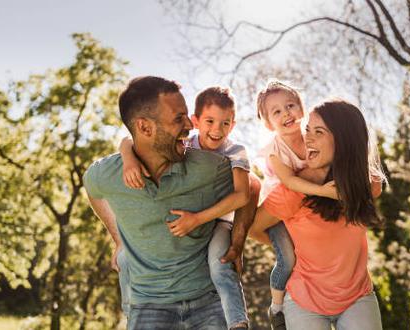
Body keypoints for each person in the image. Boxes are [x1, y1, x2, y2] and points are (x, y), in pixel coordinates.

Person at [84, 76, 251, 330]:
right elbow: (92, 189)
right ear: (145, 127)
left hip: (207, 303)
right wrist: (118, 238)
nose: (189, 126)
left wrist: (237, 242)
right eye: (178, 118)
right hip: (148, 306)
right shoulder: (106, 174)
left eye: (187, 116)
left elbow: (252, 189)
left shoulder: (208, 167)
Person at [250, 99, 385, 330]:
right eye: (307, 130)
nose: (307, 138)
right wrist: (289, 253)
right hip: (304, 300)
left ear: (344, 140)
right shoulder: (292, 191)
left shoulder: (369, 184)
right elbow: (254, 229)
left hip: (358, 296)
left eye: (318, 132)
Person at [255, 80, 338, 329]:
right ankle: (277, 307)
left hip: (302, 208)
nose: (286, 114)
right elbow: (290, 182)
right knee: (288, 258)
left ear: (302, 109)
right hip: (278, 212)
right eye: (276, 112)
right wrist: (322, 190)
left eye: (290, 106)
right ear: (269, 123)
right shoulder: (274, 150)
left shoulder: (314, 137)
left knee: (313, 253)